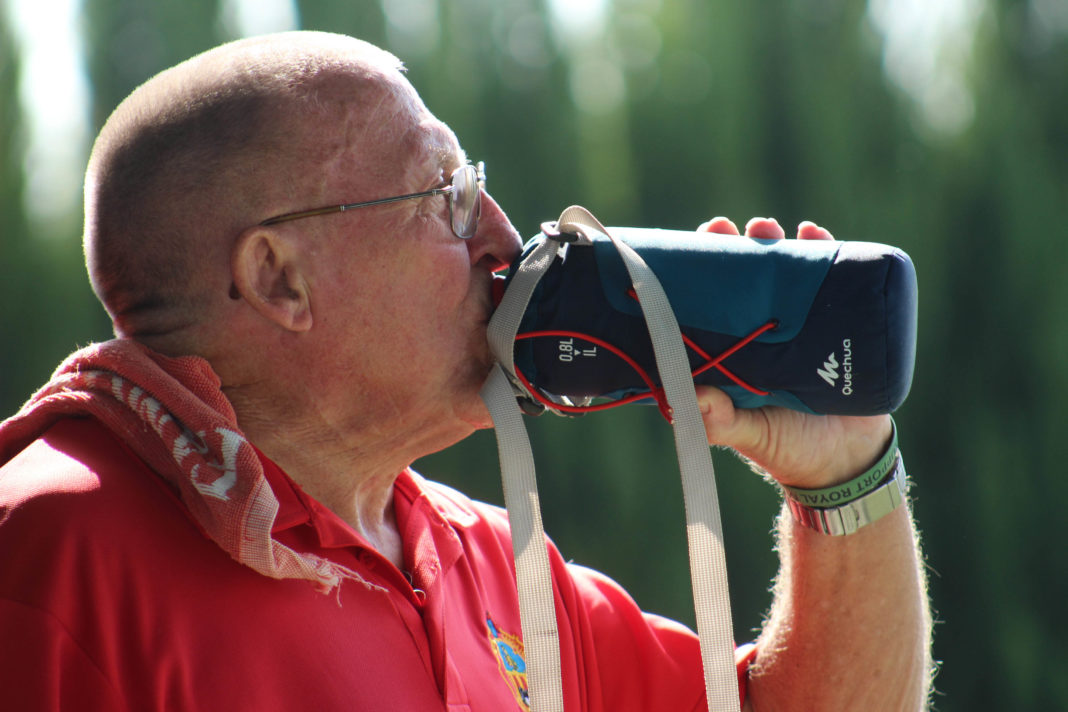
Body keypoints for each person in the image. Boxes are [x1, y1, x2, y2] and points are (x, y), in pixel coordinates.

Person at [0, 31, 932, 711]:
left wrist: (842, 473)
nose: (503, 235)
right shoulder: (50, 557)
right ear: (278, 278)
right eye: (446, 194)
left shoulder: (480, 553)